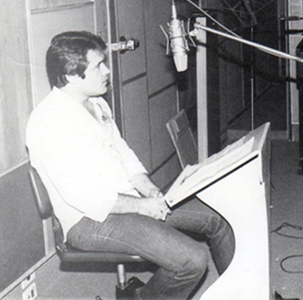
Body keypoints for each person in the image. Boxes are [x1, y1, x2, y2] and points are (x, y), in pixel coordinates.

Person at [26, 31, 235, 299]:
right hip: (89, 220)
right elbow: (87, 198)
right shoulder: (48, 122)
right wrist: (143, 207)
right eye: (98, 66)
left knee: (218, 217)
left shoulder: (94, 102)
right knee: (191, 260)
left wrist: (148, 190)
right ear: (70, 75)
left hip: (127, 200)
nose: (107, 71)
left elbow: (124, 154)